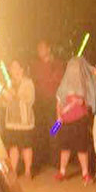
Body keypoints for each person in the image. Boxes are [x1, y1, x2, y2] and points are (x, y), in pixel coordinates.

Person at [53, 55, 96, 183]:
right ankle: (62, 172)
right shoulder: (64, 85)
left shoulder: (85, 83)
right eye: (71, 66)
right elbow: (59, 102)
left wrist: (82, 101)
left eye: (76, 67)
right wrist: (58, 118)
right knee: (65, 147)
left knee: (81, 147)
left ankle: (85, 173)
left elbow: (89, 101)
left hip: (80, 120)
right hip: (65, 121)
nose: (74, 69)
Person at [31, 40, 65, 172]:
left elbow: (58, 80)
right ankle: (40, 160)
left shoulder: (57, 64)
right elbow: (36, 81)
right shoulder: (36, 65)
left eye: (42, 48)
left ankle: (56, 160)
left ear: (48, 49)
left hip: (53, 102)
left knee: (55, 130)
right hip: (40, 102)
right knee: (40, 131)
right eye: (38, 48)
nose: (40, 50)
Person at [0, 59, 36, 179]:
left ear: (21, 69)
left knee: (26, 146)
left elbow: (30, 99)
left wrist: (14, 93)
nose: (13, 70)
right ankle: (13, 171)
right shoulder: (8, 84)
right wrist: (4, 96)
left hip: (25, 121)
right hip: (11, 122)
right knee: (13, 147)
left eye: (16, 67)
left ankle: (27, 171)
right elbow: (4, 104)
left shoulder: (28, 82)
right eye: (12, 67)